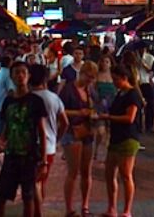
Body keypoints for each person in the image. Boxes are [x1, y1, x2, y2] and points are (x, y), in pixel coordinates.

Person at [0, 61, 49, 217]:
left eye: (23, 72)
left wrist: (43, 161)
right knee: (1, 196)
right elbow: (6, 125)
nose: (20, 76)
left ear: (28, 76)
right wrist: (1, 140)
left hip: (29, 156)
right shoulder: (8, 101)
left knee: (28, 196)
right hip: (11, 155)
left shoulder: (36, 102)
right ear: (11, 76)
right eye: (16, 73)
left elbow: (41, 132)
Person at [100, 63, 144, 217]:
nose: (114, 82)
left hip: (128, 137)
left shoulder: (132, 95)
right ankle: (112, 208)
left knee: (126, 174)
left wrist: (109, 117)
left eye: (116, 79)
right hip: (116, 137)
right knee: (109, 173)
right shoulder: (120, 94)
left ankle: (127, 210)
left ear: (125, 78)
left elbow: (129, 117)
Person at [59, 60, 99, 217]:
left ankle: (85, 205)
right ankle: (69, 207)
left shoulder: (90, 90)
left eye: (92, 78)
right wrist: (78, 113)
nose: (89, 80)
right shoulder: (68, 89)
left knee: (86, 171)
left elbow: (98, 105)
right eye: (88, 77)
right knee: (73, 172)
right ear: (81, 73)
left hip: (87, 131)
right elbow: (60, 111)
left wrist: (94, 113)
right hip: (71, 132)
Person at [30, 64, 69, 217]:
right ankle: (37, 209)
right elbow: (65, 123)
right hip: (50, 146)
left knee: (34, 183)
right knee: (41, 182)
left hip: (33, 146)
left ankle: (37, 212)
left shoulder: (29, 98)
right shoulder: (54, 98)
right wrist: (56, 138)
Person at [95, 54, 117, 161]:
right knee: (100, 131)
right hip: (99, 106)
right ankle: (97, 148)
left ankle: (106, 152)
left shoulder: (114, 76)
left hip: (112, 106)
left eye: (107, 62)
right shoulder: (97, 75)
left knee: (109, 131)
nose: (104, 64)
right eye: (103, 62)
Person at [0, 55, 15, 134]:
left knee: (0, 114)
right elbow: (10, 89)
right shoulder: (8, 74)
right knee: (5, 117)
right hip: (5, 98)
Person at [139, 44, 154, 135]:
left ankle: (149, 126)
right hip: (139, 83)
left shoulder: (150, 58)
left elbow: (151, 71)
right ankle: (138, 126)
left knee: (150, 106)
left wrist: (143, 64)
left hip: (147, 83)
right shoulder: (134, 58)